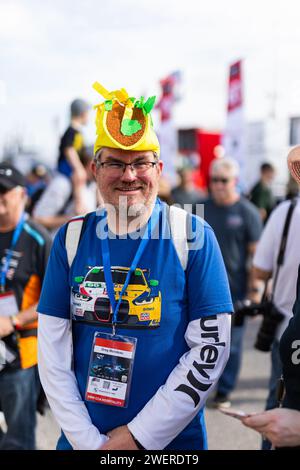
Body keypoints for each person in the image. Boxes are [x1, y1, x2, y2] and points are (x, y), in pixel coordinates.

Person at [37, 81, 233, 451]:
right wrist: (89, 442)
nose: (129, 175)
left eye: (140, 162)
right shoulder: (71, 237)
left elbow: (209, 351)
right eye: (115, 163)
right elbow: (52, 356)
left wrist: (137, 437)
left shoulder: (192, 234)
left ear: (158, 169)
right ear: (95, 169)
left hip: (172, 444)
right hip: (84, 441)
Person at [245, 146, 300, 449]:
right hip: (287, 329)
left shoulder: (286, 213)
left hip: (286, 331)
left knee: (278, 403)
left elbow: (260, 270)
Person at [199, 157, 262, 408]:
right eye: (213, 180)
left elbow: (257, 256)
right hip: (201, 287)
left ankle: (224, 391)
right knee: (199, 342)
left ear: (234, 181)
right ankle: (199, 389)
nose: (218, 185)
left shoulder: (248, 212)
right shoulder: (200, 208)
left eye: (223, 181)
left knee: (232, 345)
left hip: (234, 290)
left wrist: (255, 293)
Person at [0, 163, 51, 449]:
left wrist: (14, 320)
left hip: (21, 353)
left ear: (22, 195)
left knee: (18, 440)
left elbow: (56, 300)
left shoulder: (38, 238)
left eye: (4, 191)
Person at [33, 148, 98, 237]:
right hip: (55, 247)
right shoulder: (62, 184)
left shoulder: (92, 187)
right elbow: (38, 219)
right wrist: (72, 219)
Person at [57, 98, 90, 188]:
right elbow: (69, 150)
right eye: (88, 114)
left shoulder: (78, 131)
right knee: (78, 178)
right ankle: (79, 201)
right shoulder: (72, 130)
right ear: (83, 113)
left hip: (71, 166)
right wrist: (78, 168)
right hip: (66, 166)